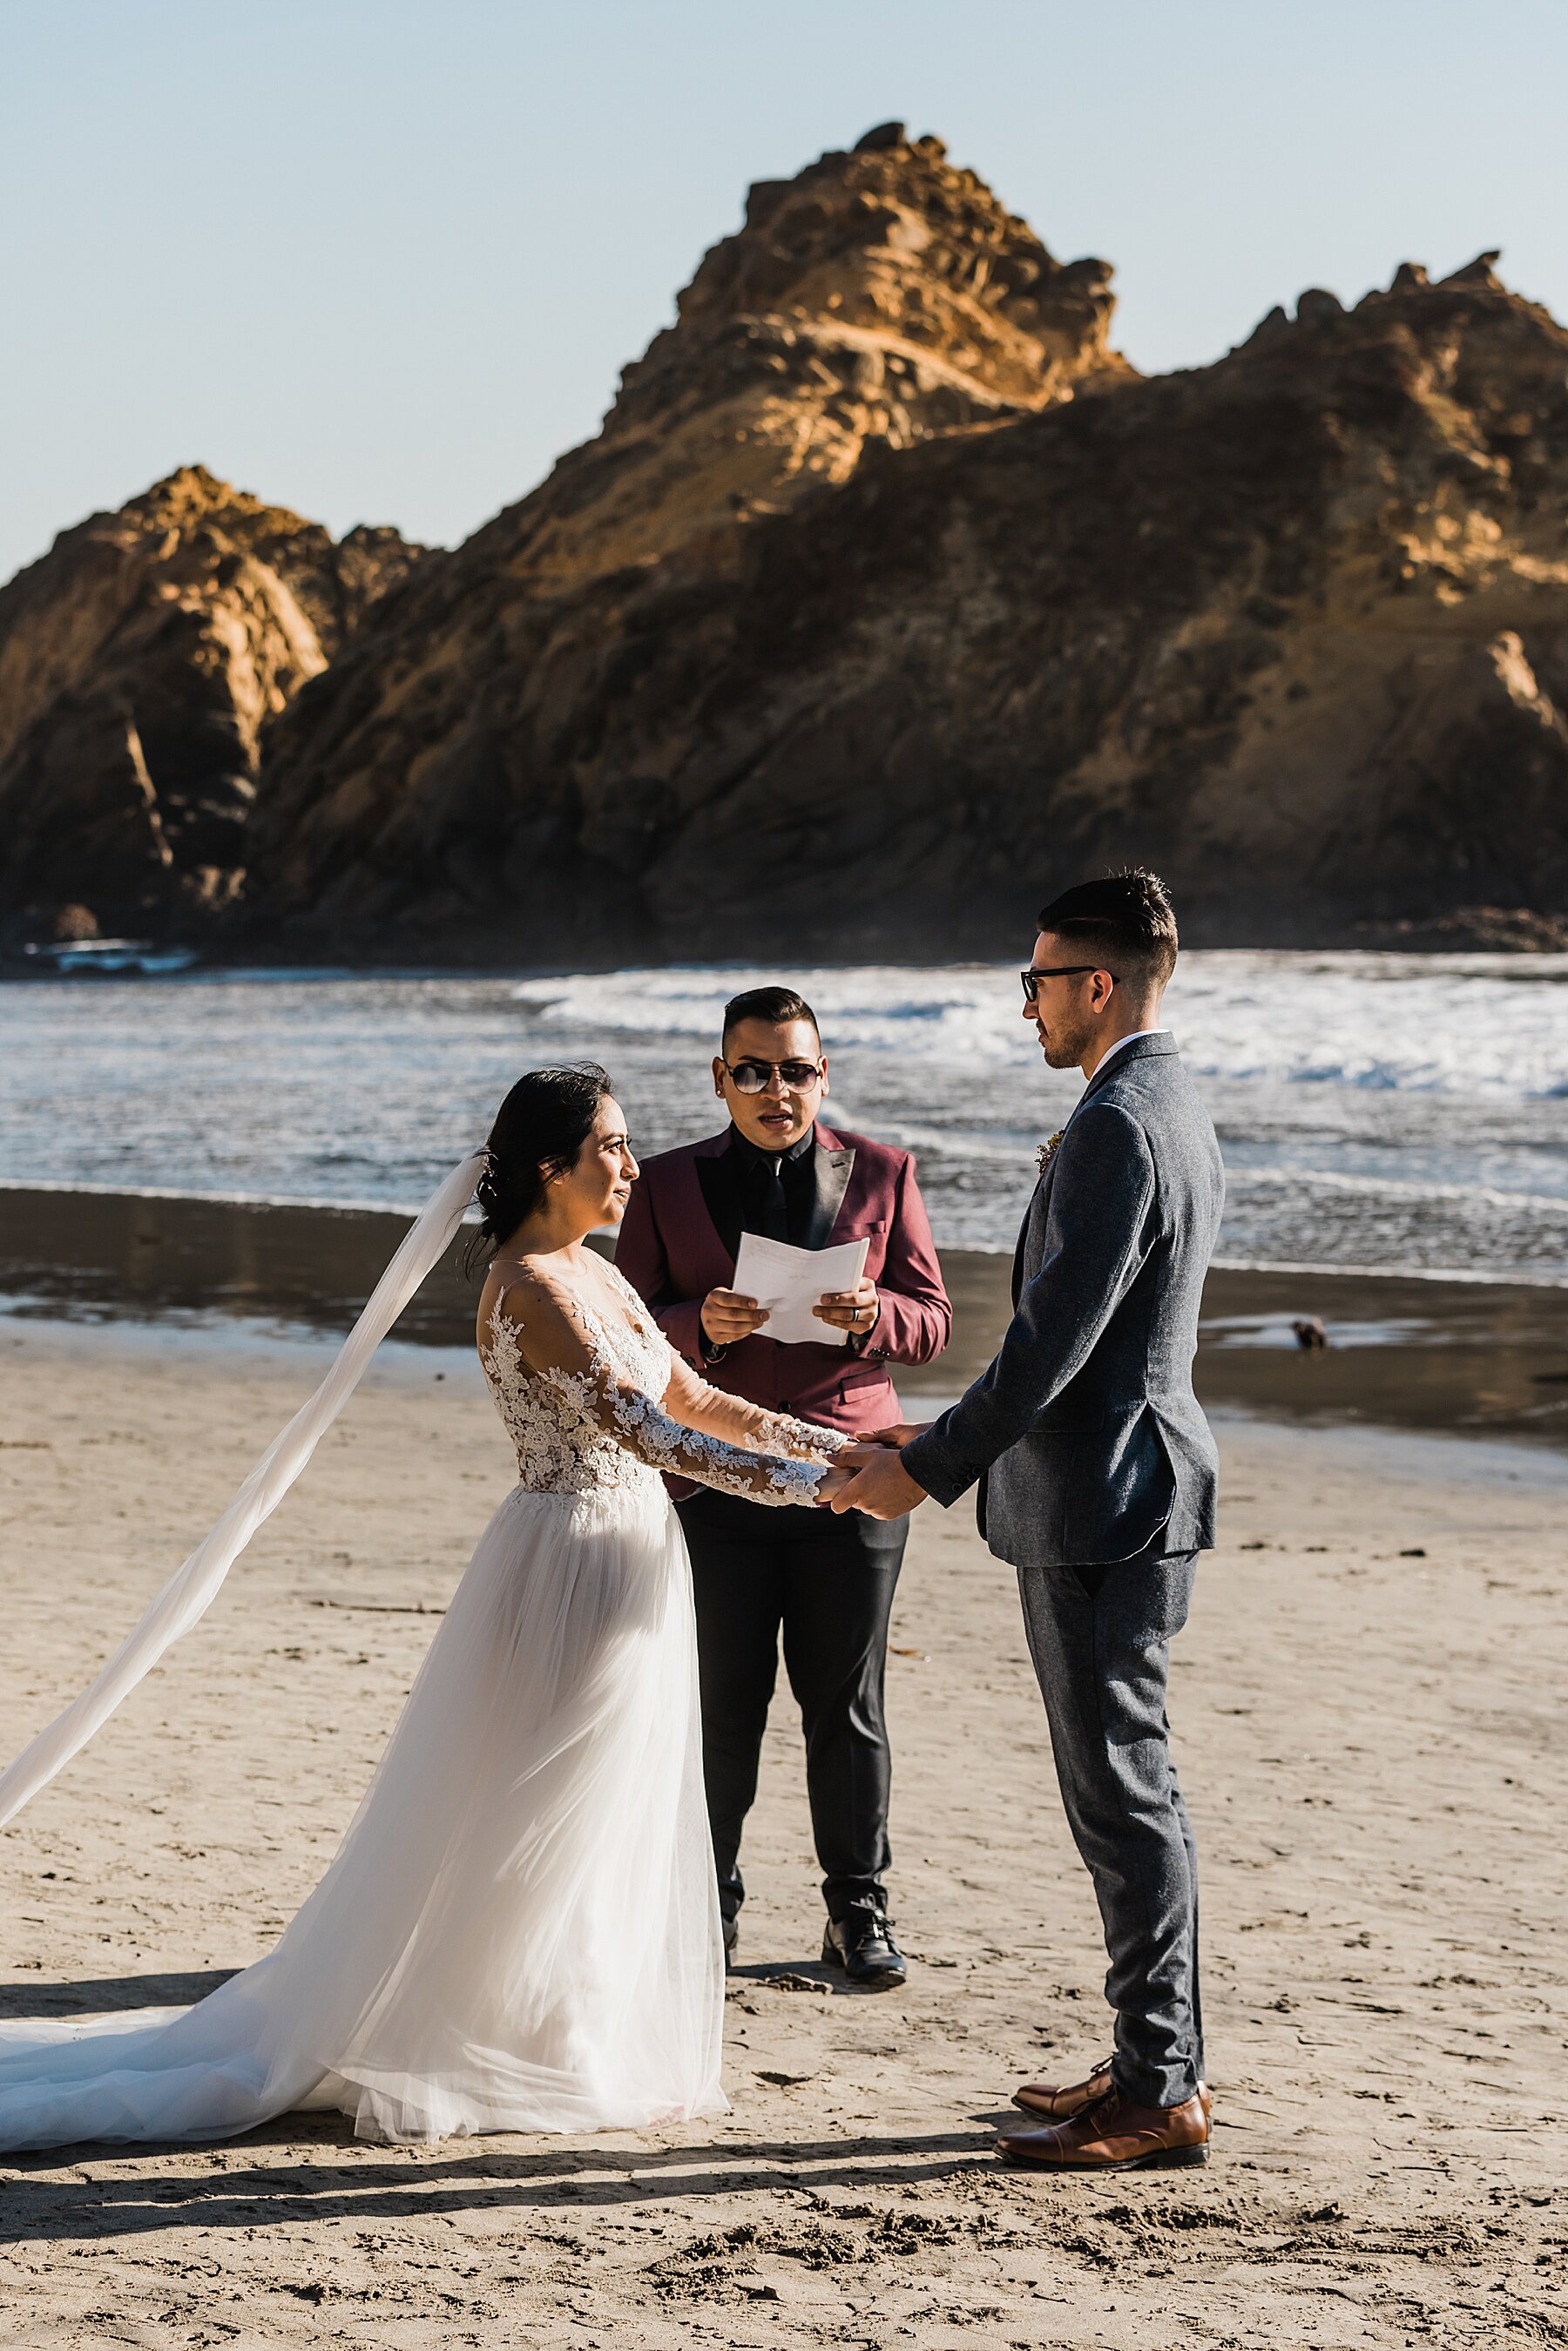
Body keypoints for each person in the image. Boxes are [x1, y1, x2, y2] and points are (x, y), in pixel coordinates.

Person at [0, 1066, 857, 2152]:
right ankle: (487, 2034)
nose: (634, 1165)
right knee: (538, 1804)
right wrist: (813, 1485)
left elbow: (696, 1394)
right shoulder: (534, 1288)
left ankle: (560, 2027)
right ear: (552, 1164)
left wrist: (839, 1447)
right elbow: (650, 1432)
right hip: (574, 1564)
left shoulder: (595, 1272)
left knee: (603, 1804)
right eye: (614, 1145)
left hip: (636, 1554)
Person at [833, 872, 1225, 2170]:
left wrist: (929, 1463)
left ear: (1096, 984)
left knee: (1122, 1785)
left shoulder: (1120, 1119)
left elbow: (1057, 1343)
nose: (1027, 1007)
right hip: (1113, 1481)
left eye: (1040, 980)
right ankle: (1151, 2057)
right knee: (1121, 1783)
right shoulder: (1161, 1096)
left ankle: (1162, 2088)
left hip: (1109, 1499)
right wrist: (930, 1431)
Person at [617, 986, 950, 1987]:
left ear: (823, 1074)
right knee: (722, 1700)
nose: (776, 1089)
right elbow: (625, 1325)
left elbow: (931, 1318)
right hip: (713, 1480)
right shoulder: (666, 1182)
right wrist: (697, 1328)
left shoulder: (885, 1170)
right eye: (753, 1070)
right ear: (721, 1078)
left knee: (845, 1703)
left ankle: (858, 1910)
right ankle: (705, 1907)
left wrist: (867, 1320)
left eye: (795, 1069)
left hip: (847, 1471)